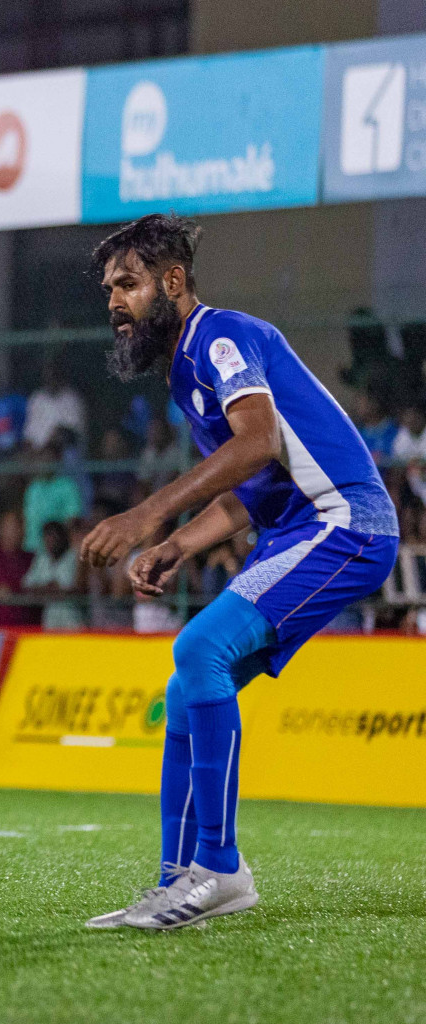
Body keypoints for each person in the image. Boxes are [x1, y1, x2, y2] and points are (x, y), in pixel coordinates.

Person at [81, 213, 397, 931]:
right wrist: (181, 545)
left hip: (345, 522)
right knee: (187, 684)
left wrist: (149, 517)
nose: (113, 302)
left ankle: (221, 868)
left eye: (127, 284)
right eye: (109, 289)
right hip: (299, 525)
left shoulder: (219, 338)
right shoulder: (186, 370)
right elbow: (250, 487)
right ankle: (177, 880)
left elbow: (255, 443)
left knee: (199, 649)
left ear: (173, 282)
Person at [23, 520, 82, 631]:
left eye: (53, 537)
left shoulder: (73, 557)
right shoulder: (41, 558)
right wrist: (47, 588)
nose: (50, 541)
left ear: (62, 537)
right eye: (47, 537)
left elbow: (78, 587)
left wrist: (59, 590)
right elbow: (27, 585)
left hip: (73, 620)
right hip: (50, 620)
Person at [24, 358, 87, 452]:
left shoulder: (72, 399)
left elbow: (71, 434)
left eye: (53, 376)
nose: (50, 381)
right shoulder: (37, 398)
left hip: (62, 451)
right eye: (47, 378)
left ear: (60, 377)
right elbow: (29, 434)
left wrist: (48, 446)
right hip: (37, 452)